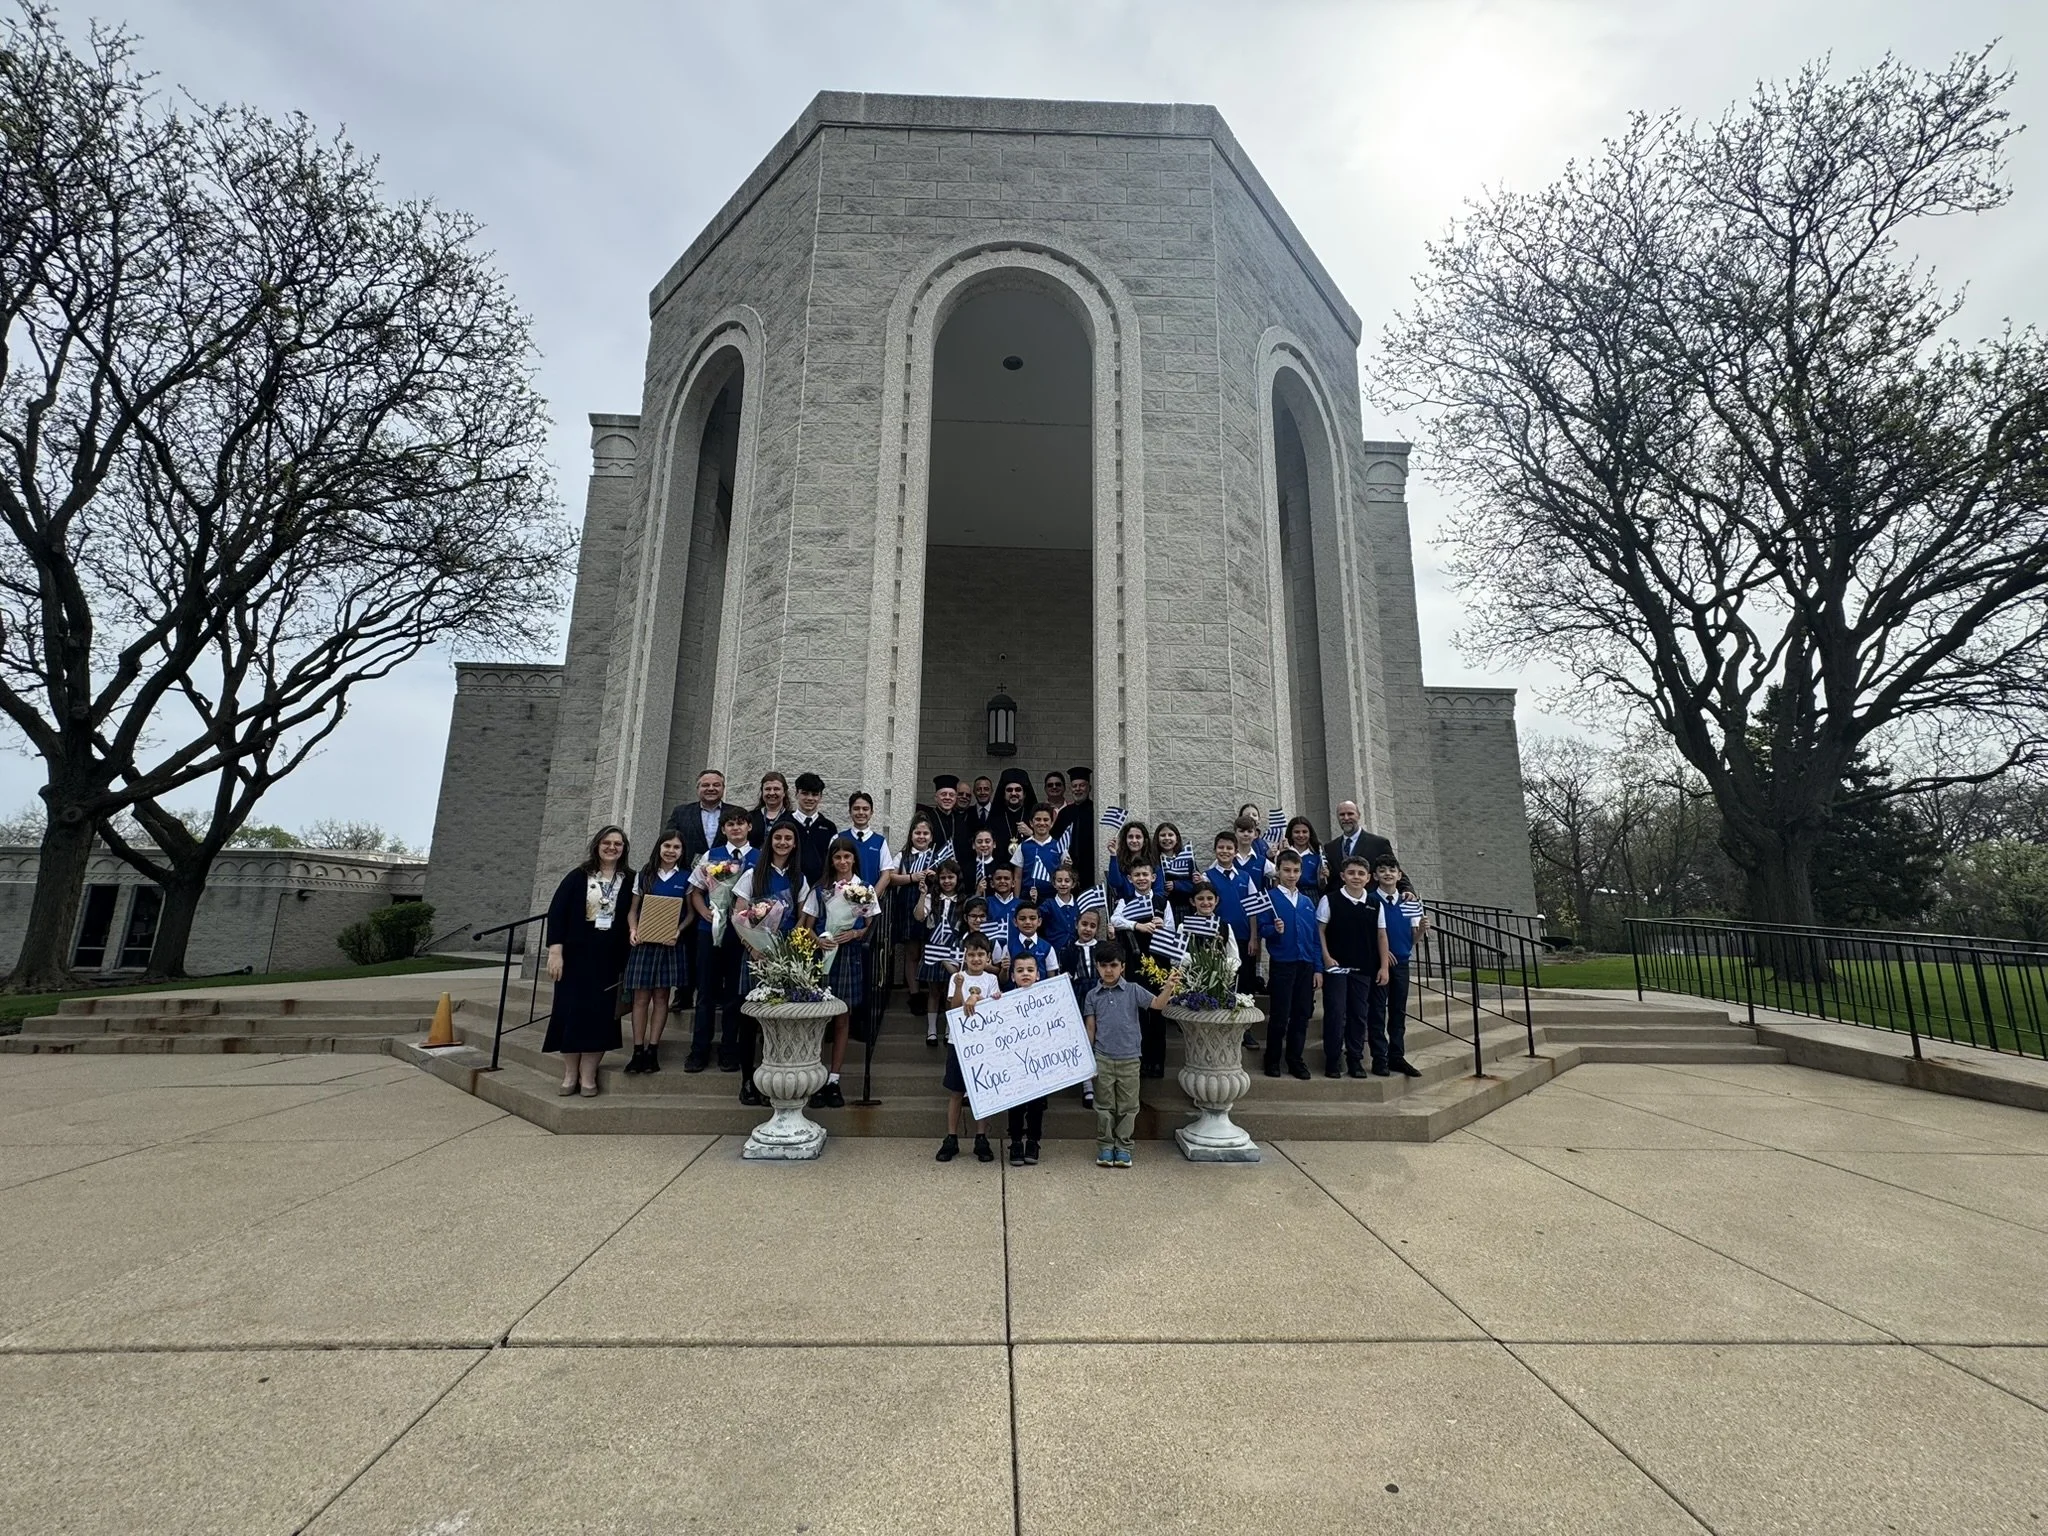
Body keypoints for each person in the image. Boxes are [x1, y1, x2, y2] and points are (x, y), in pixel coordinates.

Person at [543, 826, 634, 1096]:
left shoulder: (629, 879)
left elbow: (635, 913)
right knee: (569, 1012)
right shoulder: (578, 876)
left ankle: (588, 1074)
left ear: (623, 849)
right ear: (597, 845)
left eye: (618, 844)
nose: (612, 848)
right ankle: (570, 1074)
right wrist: (555, 951)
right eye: (607, 843)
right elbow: (557, 913)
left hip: (609, 958)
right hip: (574, 957)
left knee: (600, 1017)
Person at [731, 820, 809, 1105]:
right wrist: (752, 948)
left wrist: (790, 948)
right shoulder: (753, 875)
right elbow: (738, 914)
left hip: (783, 957)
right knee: (750, 1021)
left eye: (789, 838)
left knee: (776, 1022)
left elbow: (803, 915)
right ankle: (747, 1080)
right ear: (770, 841)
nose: (783, 843)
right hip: (755, 955)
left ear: (795, 843)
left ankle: (770, 1080)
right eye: (778, 838)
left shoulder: (798, 878)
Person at [1084, 945, 1178, 1168]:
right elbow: (1090, 1028)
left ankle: (1124, 1147)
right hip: (1103, 1057)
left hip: (1129, 1057)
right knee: (1104, 1105)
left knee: (1128, 1106)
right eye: (1104, 965)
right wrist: (1089, 1058)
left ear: (1122, 967)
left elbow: (1157, 1004)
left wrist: (1168, 987)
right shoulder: (1091, 995)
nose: (1109, 970)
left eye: (1113, 965)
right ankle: (1106, 1146)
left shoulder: (1134, 990)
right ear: (1097, 967)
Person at [808, 835, 877, 1109]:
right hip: (823, 955)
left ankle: (834, 1080)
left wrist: (857, 932)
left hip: (847, 955)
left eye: (847, 857)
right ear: (831, 860)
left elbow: (870, 923)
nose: (843, 862)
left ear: (853, 859)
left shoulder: (864, 888)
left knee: (842, 1017)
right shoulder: (820, 889)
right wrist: (817, 940)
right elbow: (809, 925)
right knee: (817, 1019)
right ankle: (815, 1078)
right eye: (837, 857)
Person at [686, 806, 757, 1073]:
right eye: (730, 825)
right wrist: (703, 910)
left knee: (734, 995)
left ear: (749, 826)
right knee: (705, 992)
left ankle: (730, 1049)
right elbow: (695, 889)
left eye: (740, 824)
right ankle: (699, 1050)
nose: (735, 828)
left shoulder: (759, 857)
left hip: (740, 936)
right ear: (724, 829)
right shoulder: (711, 856)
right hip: (710, 932)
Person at [624, 828, 694, 1075]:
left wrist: (678, 931)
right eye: (667, 846)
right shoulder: (645, 874)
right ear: (659, 847)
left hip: (668, 943)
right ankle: (637, 1050)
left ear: (682, 851)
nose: (671, 851)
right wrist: (633, 929)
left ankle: (653, 1050)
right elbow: (633, 909)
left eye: (676, 847)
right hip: (644, 943)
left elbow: (691, 913)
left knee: (662, 997)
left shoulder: (687, 876)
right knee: (640, 998)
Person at [1318, 855, 1392, 1078]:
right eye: (1351, 873)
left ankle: (1355, 1059)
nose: (1356, 877)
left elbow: (1381, 935)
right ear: (1343, 876)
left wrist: (1384, 967)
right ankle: (1333, 1059)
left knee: (1359, 1014)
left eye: (1361, 874)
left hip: (1364, 968)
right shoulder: (1329, 900)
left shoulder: (1374, 903)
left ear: (1368, 878)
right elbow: (1320, 931)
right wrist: (1327, 958)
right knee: (1336, 1012)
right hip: (1337, 968)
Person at [1109, 860, 1177, 1078]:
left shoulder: (1162, 901)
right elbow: (1115, 920)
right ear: (1130, 879)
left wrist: (1161, 927)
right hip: (1135, 961)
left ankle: (1156, 1062)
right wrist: (1137, 925)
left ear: (1153, 877)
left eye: (1145, 874)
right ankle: (1138, 1061)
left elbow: (1173, 931)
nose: (1141, 878)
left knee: (1158, 1012)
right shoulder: (1126, 900)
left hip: (1159, 962)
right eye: (1136, 875)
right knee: (1137, 1012)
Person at [938, 932, 1001, 1164]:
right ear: (965, 956)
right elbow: (953, 1008)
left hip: (983, 1043)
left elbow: (993, 1008)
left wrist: (977, 1000)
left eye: (981, 955)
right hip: (959, 1042)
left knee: (981, 1090)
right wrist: (961, 989)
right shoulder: (957, 977)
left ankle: (981, 1137)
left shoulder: (991, 980)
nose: (976, 959)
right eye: (972, 954)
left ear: (987, 958)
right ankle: (951, 1137)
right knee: (956, 1092)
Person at [1259, 848, 1322, 1080]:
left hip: (1305, 965)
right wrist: (1274, 931)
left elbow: (1315, 938)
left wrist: (1318, 968)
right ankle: (1272, 1059)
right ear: (1278, 871)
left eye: (1296, 870)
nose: (1291, 875)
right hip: (1283, 964)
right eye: (1287, 870)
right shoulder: (1271, 898)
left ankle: (1295, 1059)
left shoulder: (1306, 901)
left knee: (1301, 1014)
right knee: (1279, 1014)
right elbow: (1264, 931)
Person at [1370, 856, 1428, 1078]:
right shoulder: (1371, 900)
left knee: (1398, 1012)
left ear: (1399, 875)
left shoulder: (1409, 902)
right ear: (1375, 876)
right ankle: (1379, 1058)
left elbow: (1412, 939)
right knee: (1376, 1012)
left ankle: (1397, 1055)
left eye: (1392, 870)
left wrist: (1421, 930)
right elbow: (1368, 935)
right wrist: (1384, 954)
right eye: (1382, 870)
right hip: (1378, 964)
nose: (1387, 874)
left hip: (1402, 964)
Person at [888, 813, 941, 1013]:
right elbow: (891, 878)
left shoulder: (938, 857)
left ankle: (932, 990)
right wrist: (912, 877)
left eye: (925, 833)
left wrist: (935, 877)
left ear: (931, 836)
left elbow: (950, 879)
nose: (921, 836)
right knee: (912, 952)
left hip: (932, 907)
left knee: (929, 950)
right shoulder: (903, 856)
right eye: (917, 832)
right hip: (908, 905)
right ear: (911, 835)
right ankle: (914, 993)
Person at [1003, 951, 1050, 1166]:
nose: (1025, 974)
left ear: (1038, 975)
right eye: (1020, 970)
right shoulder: (1004, 999)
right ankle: (1015, 1142)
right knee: (1016, 1106)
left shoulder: (1048, 997)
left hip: (1039, 1064)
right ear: (1012, 976)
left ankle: (1033, 1141)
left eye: (1030, 970)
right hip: (1014, 1064)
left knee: (1036, 1106)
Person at [915, 859, 965, 1047]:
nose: (946, 881)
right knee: (934, 991)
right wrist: (922, 895)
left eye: (950, 877)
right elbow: (919, 916)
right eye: (943, 877)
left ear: (956, 879)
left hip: (954, 948)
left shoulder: (963, 900)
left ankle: (949, 1029)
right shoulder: (932, 898)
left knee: (950, 991)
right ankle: (931, 1030)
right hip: (934, 948)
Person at [1322, 801, 1395, 894]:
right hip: (1339, 903)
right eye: (1342, 815)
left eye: (1350, 814)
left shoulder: (1379, 843)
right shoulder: (1330, 847)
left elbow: (1394, 869)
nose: (1346, 818)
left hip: (1369, 901)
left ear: (1359, 815)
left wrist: (1407, 890)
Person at [669, 768, 737, 865]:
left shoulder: (736, 812)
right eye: (705, 785)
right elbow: (669, 841)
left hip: (727, 873)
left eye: (716, 785)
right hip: (687, 872)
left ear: (723, 788)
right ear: (697, 789)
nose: (711, 788)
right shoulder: (681, 812)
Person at [788, 771, 837, 885]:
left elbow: (833, 860)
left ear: (820, 797)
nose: (810, 798)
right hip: (789, 886)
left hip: (820, 887)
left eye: (814, 794)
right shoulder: (785, 823)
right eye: (805, 793)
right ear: (796, 794)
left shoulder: (829, 827)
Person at [1052, 767, 1098, 888]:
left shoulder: (1096, 811)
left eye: (1082, 785)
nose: (1078, 789)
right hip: (1068, 870)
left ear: (1089, 788)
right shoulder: (1065, 813)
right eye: (1074, 786)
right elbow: (1055, 839)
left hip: (1091, 868)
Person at [1013, 803, 1065, 905]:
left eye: (1046, 820)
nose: (1042, 823)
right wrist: (1016, 901)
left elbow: (1065, 873)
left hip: (1052, 898)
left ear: (1052, 823)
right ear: (1031, 823)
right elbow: (1018, 876)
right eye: (1038, 819)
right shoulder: (1023, 846)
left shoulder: (1060, 846)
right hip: (1027, 898)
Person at [1008, 900, 1061, 984]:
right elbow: (1004, 979)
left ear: (1039, 922)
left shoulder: (1047, 948)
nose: (1028, 922)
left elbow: (1052, 978)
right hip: (1015, 994)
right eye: (1022, 919)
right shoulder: (1008, 947)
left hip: (1040, 994)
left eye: (1032, 918)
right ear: (1015, 922)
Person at [1104, 819, 1154, 902]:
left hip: (1149, 905)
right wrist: (1113, 855)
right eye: (1130, 837)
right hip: (1126, 908)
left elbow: (1159, 891)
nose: (1134, 840)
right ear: (1125, 840)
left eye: (1138, 837)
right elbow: (1115, 883)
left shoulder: (1153, 862)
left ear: (1144, 841)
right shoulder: (1118, 862)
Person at [1273, 816, 1323, 894]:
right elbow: (1276, 880)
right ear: (1291, 834)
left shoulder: (1317, 855)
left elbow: (1322, 884)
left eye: (1304, 832)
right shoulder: (1282, 853)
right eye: (1296, 832)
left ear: (1310, 833)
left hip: (1312, 894)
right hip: (1287, 893)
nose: (1301, 835)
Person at [1153, 821, 1195, 914]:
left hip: (1184, 908)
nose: (1167, 838)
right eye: (1163, 835)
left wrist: (1176, 885)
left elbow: (1194, 885)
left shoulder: (1187, 859)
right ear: (1157, 839)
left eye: (1170, 835)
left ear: (1177, 839)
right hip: (1160, 908)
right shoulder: (1153, 861)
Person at [749, 770, 794, 852]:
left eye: (776, 789)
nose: (772, 793)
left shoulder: (794, 818)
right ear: (762, 792)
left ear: (784, 792)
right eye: (767, 789)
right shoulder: (750, 817)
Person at [1041, 866, 1081, 951]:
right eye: (1059, 881)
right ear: (1054, 884)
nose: (1063, 884)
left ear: (1073, 884)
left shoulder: (1079, 905)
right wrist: (1033, 903)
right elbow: (1036, 917)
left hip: (1076, 951)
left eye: (1067, 881)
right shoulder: (1048, 904)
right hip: (1054, 950)